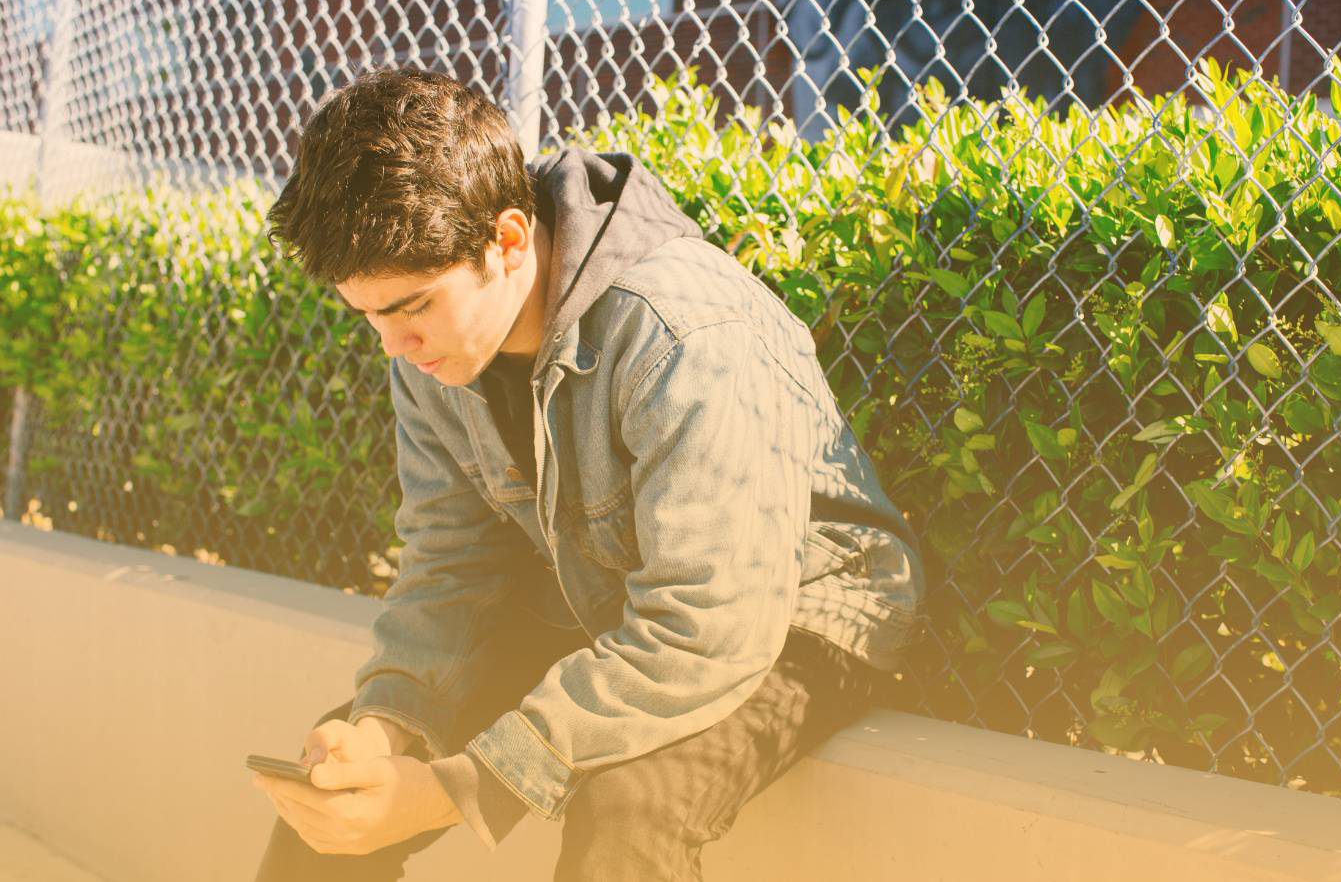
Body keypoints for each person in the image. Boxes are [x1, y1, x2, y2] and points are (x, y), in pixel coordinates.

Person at [251, 65, 923, 882]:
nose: (394, 347)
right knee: (341, 786)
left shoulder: (684, 330)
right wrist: (387, 726)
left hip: (798, 615)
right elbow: (452, 562)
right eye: (370, 317)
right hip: (605, 598)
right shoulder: (430, 353)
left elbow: (707, 626)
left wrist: (453, 790)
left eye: (413, 306)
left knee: (628, 806)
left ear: (504, 240)